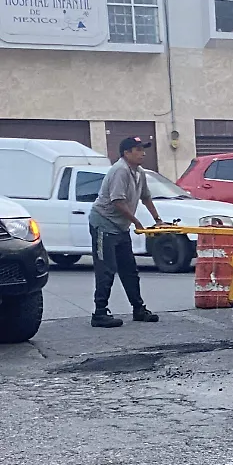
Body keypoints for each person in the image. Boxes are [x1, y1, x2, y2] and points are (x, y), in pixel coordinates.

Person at [88, 136, 163, 328]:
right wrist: (137, 222)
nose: (143, 153)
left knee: (129, 269)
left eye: (143, 149)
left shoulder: (139, 172)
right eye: (138, 149)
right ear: (126, 153)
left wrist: (158, 220)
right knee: (106, 269)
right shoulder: (120, 170)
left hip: (120, 227)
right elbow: (117, 201)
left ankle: (138, 309)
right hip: (104, 224)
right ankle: (99, 313)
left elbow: (146, 197)